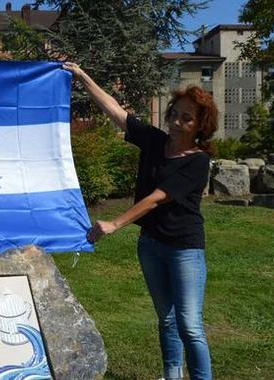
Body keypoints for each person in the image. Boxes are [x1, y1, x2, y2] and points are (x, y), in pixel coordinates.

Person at [64, 62, 216, 380]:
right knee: (167, 319)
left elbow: (157, 197)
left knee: (189, 324)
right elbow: (117, 113)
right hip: (151, 246)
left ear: (201, 125)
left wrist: (114, 224)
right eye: (174, 114)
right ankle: (171, 375)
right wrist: (82, 76)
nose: (176, 122)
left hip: (184, 249)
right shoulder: (155, 142)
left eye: (186, 118)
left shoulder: (199, 161)